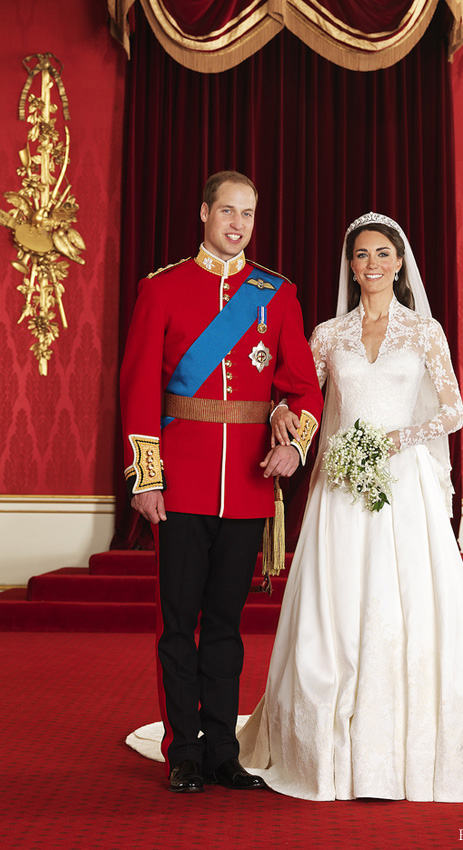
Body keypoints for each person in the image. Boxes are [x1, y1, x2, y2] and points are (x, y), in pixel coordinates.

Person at [234, 212, 463, 801]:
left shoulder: (425, 332)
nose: (372, 265)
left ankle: (404, 749)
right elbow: (302, 395)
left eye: (383, 254)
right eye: (361, 256)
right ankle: (326, 750)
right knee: (336, 608)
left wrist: (397, 441)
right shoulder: (328, 334)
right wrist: (282, 413)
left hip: (403, 485)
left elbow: (452, 412)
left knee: (401, 607)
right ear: (349, 266)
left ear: (400, 263)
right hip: (340, 486)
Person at [120, 171, 323, 793]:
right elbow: (136, 392)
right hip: (179, 483)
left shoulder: (275, 294)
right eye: (228, 211)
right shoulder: (162, 288)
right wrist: (146, 478)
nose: (238, 224)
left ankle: (222, 753)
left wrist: (293, 444)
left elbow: (303, 387)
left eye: (249, 214)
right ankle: (183, 751)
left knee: (228, 626)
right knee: (180, 623)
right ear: (204, 212)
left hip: (247, 487)